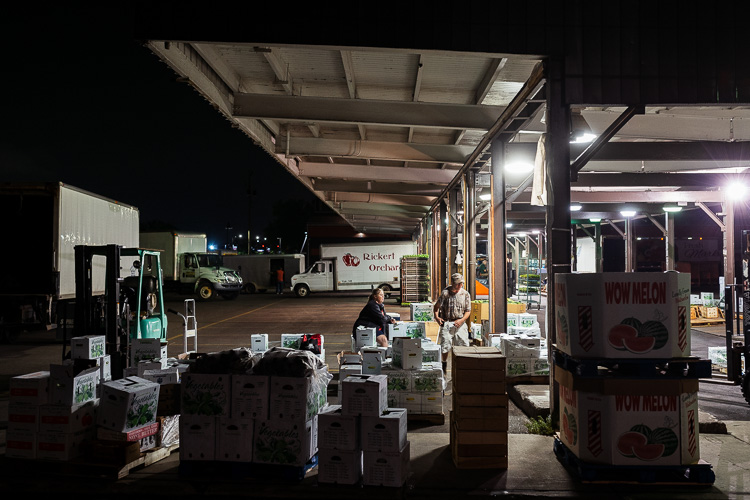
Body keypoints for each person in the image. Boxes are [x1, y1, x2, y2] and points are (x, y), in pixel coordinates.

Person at [433, 273, 472, 375]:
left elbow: (468, 311)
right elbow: (436, 307)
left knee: (463, 344)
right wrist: (437, 317)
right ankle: (444, 363)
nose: (459, 286)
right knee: (445, 345)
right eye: (457, 284)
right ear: (452, 284)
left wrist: (461, 320)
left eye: (461, 284)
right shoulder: (445, 293)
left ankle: (463, 365)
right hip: (447, 322)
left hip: (460, 322)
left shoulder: (465, 294)